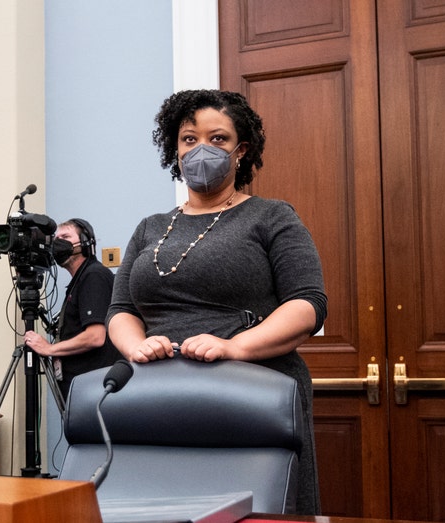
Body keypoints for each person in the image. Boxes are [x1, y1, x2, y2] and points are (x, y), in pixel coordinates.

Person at [106, 89, 327, 515]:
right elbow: (122, 310)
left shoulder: (272, 216)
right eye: (189, 139)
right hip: (159, 398)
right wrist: (135, 347)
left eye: (218, 139)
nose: (201, 149)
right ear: (175, 148)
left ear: (241, 150)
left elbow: (308, 305)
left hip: (252, 398)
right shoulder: (150, 227)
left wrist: (234, 346)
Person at [24, 219, 122, 402]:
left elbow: (95, 336)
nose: (58, 243)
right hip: (84, 390)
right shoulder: (80, 280)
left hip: (94, 391)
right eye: (56, 239)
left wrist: (50, 349)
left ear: (85, 242)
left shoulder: (94, 276)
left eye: (66, 237)